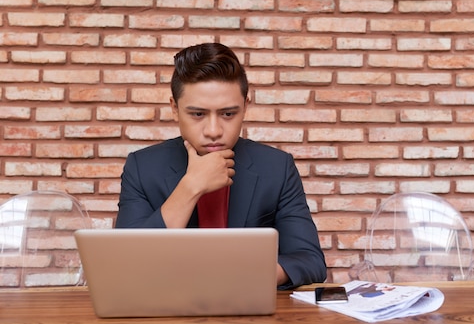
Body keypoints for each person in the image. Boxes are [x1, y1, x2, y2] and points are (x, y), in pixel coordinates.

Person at [115, 42, 327, 289]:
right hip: (167, 315)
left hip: (250, 312)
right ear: (174, 108)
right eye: (198, 114)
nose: (213, 131)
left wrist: (245, 276)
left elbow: (310, 261)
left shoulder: (277, 168)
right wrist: (191, 187)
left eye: (228, 114)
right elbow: (127, 265)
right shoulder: (142, 167)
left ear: (246, 106)